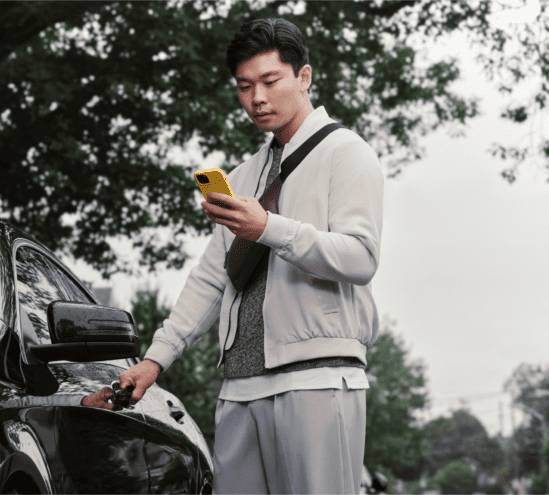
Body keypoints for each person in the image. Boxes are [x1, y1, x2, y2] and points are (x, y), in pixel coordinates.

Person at [118, 17, 384, 495]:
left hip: (317, 378)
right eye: (244, 86)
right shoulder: (243, 176)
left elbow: (361, 257)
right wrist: (155, 361)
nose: (256, 98)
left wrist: (268, 228)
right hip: (239, 386)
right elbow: (211, 278)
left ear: (303, 77)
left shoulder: (347, 153)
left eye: (269, 81)